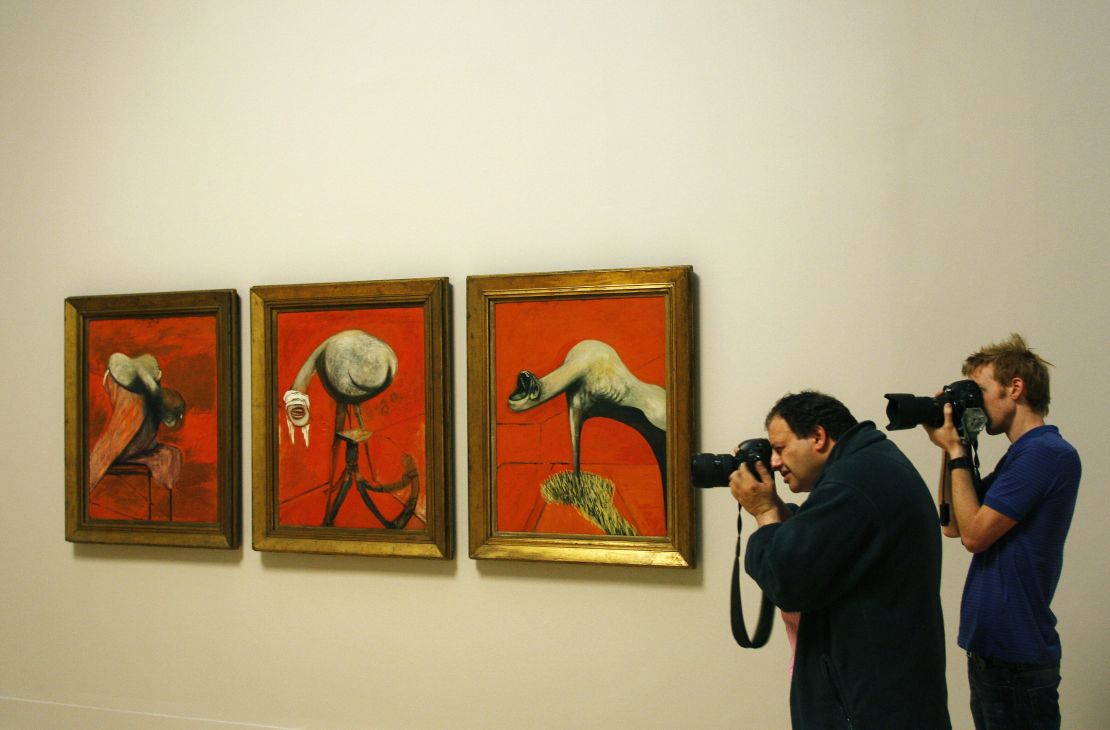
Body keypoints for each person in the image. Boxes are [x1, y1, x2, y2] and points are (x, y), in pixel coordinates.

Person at [730, 391, 951, 729]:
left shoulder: (853, 484)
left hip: (868, 708)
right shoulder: (871, 464)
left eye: (780, 448)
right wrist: (779, 512)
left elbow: (787, 579)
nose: (774, 463)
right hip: (892, 698)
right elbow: (830, 548)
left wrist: (763, 513)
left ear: (818, 436)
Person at [923, 334, 1080, 730]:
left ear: (1015, 388)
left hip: (1017, 660)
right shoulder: (1020, 457)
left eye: (980, 391)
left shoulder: (1046, 453)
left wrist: (959, 452)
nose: (974, 401)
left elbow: (976, 536)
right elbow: (954, 525)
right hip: (993, 654)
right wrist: (949, 446)